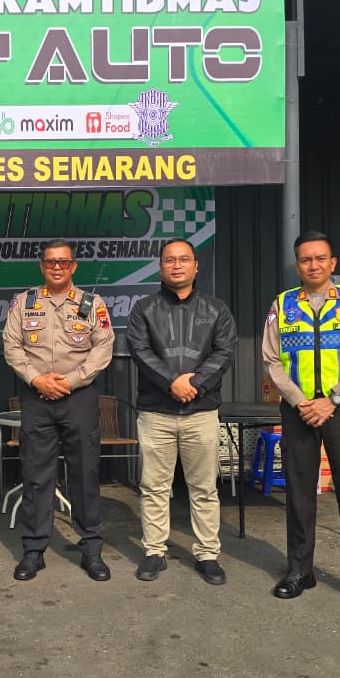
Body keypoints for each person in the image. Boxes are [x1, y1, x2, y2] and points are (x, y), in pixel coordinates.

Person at [261, 230, 340, 613]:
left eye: (320, 258)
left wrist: (332, 400)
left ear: (333, 263)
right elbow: (272, 361)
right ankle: (300, 570)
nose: (313, 265)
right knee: (299, 492)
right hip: (298, 410)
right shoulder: (282, 305)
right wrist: (301, 402)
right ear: (297, 265)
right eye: (305, 259)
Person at [126, 239, 238, 584]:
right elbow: (140, 351)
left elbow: (224, 352)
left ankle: (207, 554)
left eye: (184, 259)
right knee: (154, 486)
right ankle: (154, 551)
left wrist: (195, 385)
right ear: (161, 267)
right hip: (156, 412)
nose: (177, 265)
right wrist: (171, 382)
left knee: (204, 488)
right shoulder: (143, 309)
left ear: (195, 266)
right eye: (170, 260)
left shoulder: (217, 310)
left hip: (200, 412)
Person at [3, 240, 115, 581]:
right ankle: (34, 551)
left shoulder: (92, 304)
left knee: (84, 473)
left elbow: (103, 347)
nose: (56, 267)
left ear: (73, 266)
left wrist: (70, 381)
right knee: (36, 475)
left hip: (77, 397)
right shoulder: (24, 302)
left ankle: (91, 548)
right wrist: (37, 379)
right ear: (42, 266)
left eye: (63, 262)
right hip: (36, 398)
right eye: (50, 262)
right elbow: (11, 345)